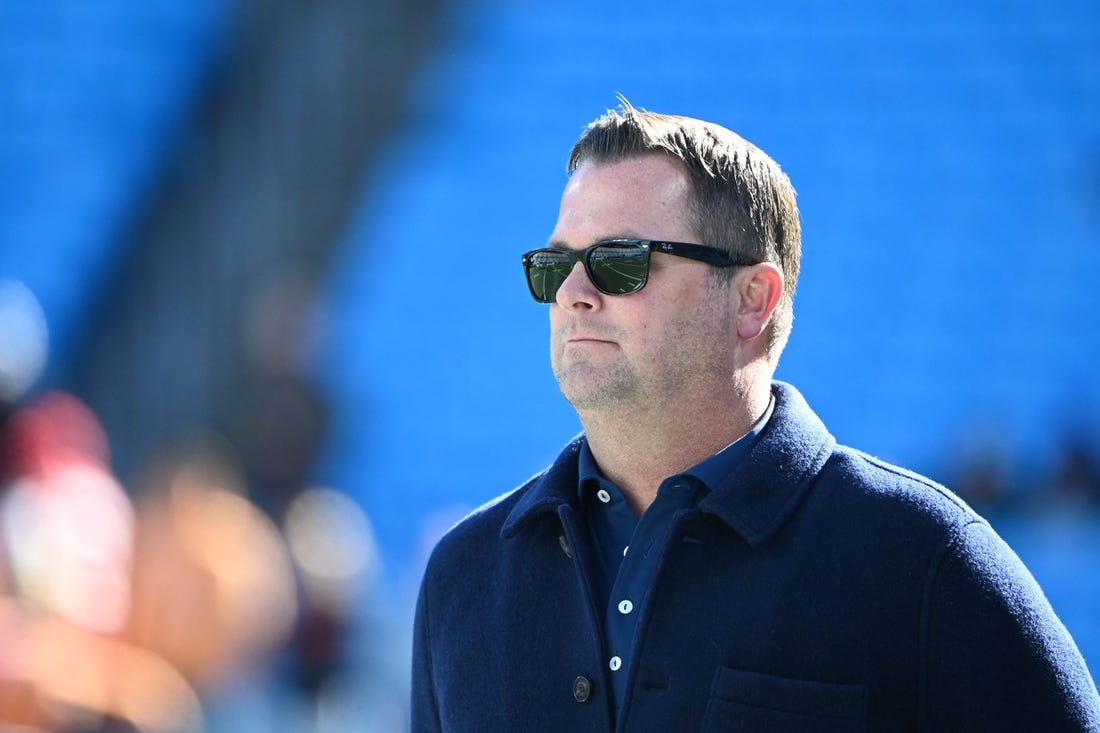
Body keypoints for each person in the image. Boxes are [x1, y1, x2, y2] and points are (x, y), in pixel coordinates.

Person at [410, 100, 1100, 731]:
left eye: (620, 262)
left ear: (752, 300)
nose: (575, 293)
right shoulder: (462, 575)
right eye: (554, 265)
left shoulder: (926, 561)